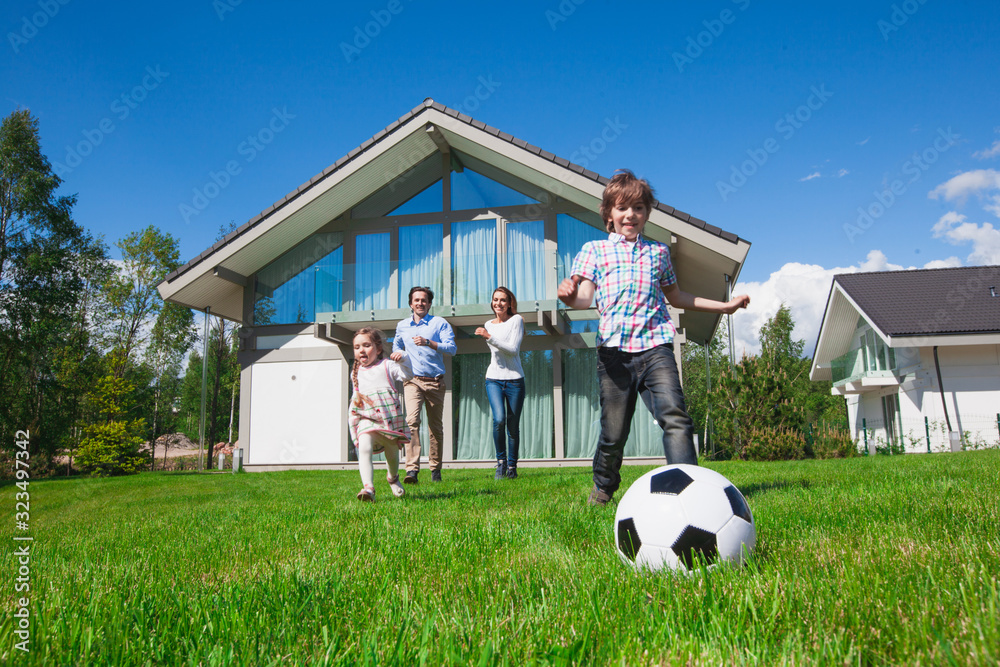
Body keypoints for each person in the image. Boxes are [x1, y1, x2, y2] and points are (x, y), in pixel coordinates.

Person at [557, 170, 750, 506]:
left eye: (638, 208)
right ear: (609, 214)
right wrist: (569, 296)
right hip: (614, 355)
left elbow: (677, 297)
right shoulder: (595, 250)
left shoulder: (659, 253)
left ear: (646, 213)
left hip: (655, 348)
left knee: (676, 416)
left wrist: (725, 306)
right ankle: (603, 489)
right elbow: (585, 298)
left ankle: (690, 493)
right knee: (614, 433)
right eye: (622, 208)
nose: (630, 215)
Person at [393, 286, 457, 484]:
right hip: (412, 380)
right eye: (416, 300)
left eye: (424, 300)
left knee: (435, 428)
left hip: (435, 381)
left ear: (429, 304)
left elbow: (452, 348)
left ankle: (435, 469)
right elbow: (396, 344)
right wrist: (397, 353)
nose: (420, 303)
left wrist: (430, 342)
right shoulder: (402, 326)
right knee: (412, 422)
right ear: (411, 303)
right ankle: (412, 470)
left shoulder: (440, 323)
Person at [349, 327, 412, 502]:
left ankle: (392, 477)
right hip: (366, 418)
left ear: (377, 349)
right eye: (357, 347)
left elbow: (408, 374)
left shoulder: (387, 366)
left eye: (366, 345)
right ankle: (368, 488)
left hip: (387, 420)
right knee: (365, 446)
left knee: (392, 453)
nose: (361, 350)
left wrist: (404, 358)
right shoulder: (356, 372)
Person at [474, 286, 525, 480]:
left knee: (512, 426)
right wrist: (490, 334)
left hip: (515, 380)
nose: (498, 303)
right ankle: (501, 463)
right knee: (499, 420)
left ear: (509, 303)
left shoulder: (516, 320)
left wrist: (489, 337)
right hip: (493, 378)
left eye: (503, 300)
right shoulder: (489, 323)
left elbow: (512, 350)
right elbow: (498, 351)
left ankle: (512, 467)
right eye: (495, 300)